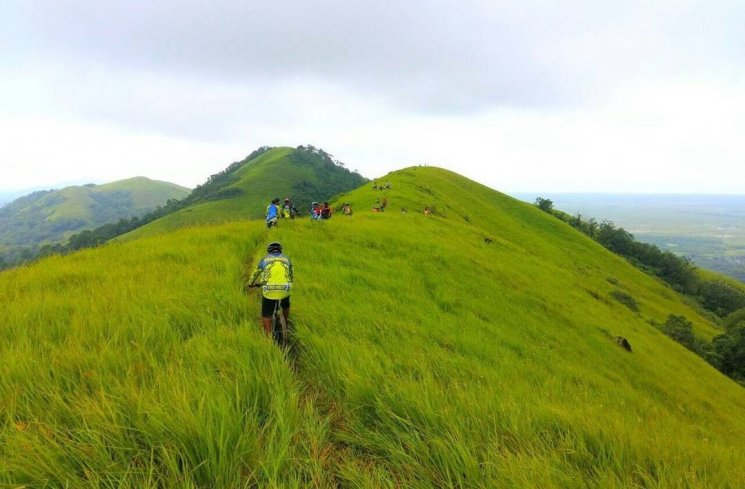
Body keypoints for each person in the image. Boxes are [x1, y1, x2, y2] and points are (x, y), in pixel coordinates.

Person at [248, 242, 293, 339]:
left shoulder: (264, 259)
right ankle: (286, 320)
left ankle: (268, 335)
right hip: (285, 289)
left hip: (269, 290)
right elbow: (290, 274)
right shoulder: (287, 259)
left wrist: (250, 283)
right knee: (286, 304)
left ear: (269, 251)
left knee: (266, 312)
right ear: (280, 250)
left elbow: (256, 273)